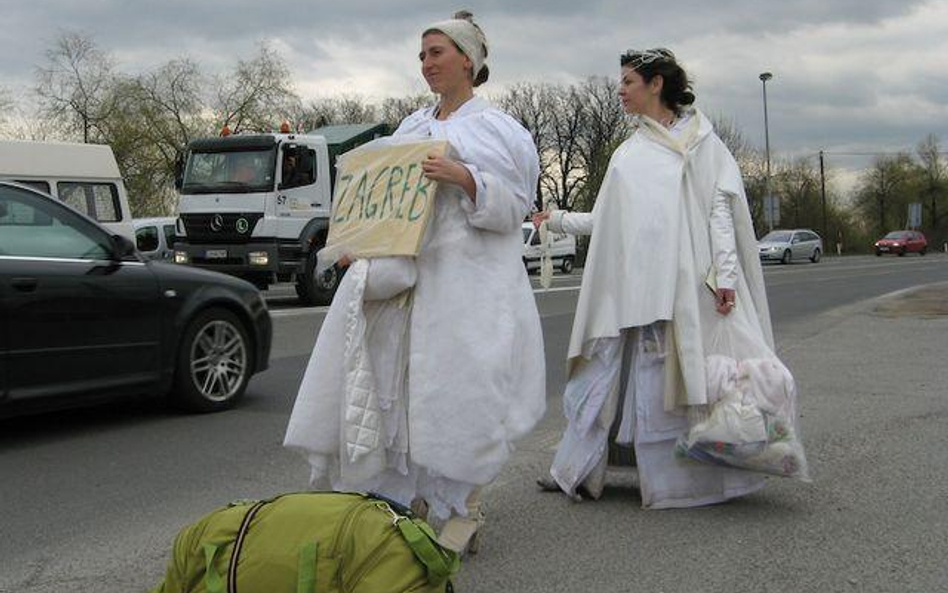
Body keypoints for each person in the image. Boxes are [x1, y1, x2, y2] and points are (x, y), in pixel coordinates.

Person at [284, 11, 545, 553]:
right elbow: (379, 202)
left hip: (469, 281)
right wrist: (351, 246)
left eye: (437, 53)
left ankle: (462, 505)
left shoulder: (500, 130)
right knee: (398, 390)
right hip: (404, 282)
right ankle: (408, 498)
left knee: (459, 392)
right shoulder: (409, 128)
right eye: (422, 55)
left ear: (468, 60)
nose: (426, 64)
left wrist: (467, 178)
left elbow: (517, 203)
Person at [535, 48, 782, 509]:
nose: (620, 90)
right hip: (631, 287)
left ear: (656, 84)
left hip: (685, 287)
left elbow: (720, 211)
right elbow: (608, 220)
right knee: (602, 370)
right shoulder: (628, 153)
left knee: (673, 381)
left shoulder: (704, 143)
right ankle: (574, 470)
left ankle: (686, 482)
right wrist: (559, 219)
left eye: (628, 81)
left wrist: (725, 276)